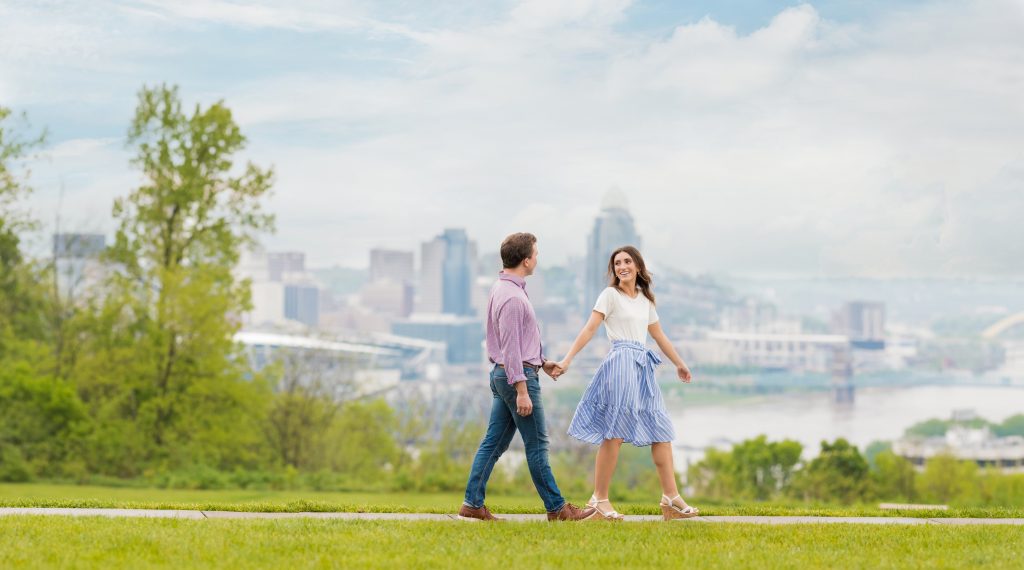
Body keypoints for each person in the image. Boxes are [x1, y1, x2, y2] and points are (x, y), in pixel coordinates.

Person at [458, 232, 597, 522]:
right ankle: (558, 508)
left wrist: (542, 362)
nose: (538, 258)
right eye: (536, 253)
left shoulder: (504, 288)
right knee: (537, 445)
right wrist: (522, 388)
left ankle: (472, 504)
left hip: (511, 373)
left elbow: (518, 342)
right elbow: (510, 348)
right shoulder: (511, 297)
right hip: (515, 378)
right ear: (526, 260)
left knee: (493, 444)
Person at [557, 245, 700, 521]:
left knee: (661, 429)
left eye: (626, 261)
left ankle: (670, 498)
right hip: (620, 363)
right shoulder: (609, 295)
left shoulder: (646, 301)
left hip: (643, 367)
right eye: (617, 263)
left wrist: (680, 363)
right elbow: (589, 328)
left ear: (637, 266)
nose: (621, 266)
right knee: (615, 431)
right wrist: (567, 360)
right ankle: (599, 499)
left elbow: (659, 337)